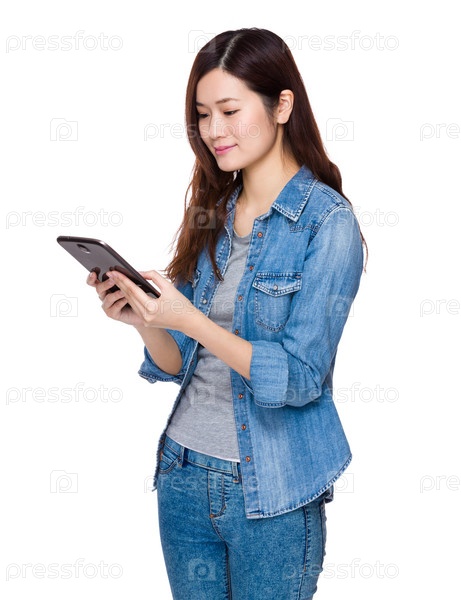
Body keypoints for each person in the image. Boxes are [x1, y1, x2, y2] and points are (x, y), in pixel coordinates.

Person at [88, 27, 367, 600]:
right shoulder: (214, 210)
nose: (213, 130)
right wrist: (148, 320)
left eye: (230, 111)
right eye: (202, 115)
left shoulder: (328, 224)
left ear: (282, 106)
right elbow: (179, 362)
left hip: (272, 493)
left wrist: (191, 320)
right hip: (183, 474)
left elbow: (299, 378)